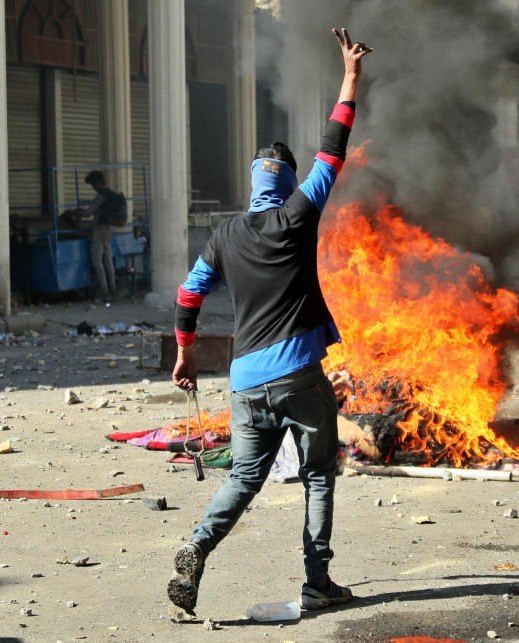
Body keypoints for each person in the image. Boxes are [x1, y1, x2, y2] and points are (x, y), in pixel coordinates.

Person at [167, 27, 372, 617]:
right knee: (319, 477)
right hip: (300, 380)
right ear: (285, 183)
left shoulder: (225, 235)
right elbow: (333, 146)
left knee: (243, 480)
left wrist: (185, 355)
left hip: (245, 383)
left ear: (254, 183)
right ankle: (317, 583)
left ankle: (196, 545)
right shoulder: (300, 214)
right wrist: (351, 75)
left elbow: (187, 294)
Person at [81, 170, 126, 302]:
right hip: (107, 229)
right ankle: (113, 290)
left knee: (97, 260)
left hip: (99, 230)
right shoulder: (112, 195)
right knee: (108, 259)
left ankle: (104, 291)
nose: (93, 188)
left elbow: (88, 212)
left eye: (93, 185)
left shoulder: (102, 196)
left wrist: (78, 213)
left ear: (97, 183)